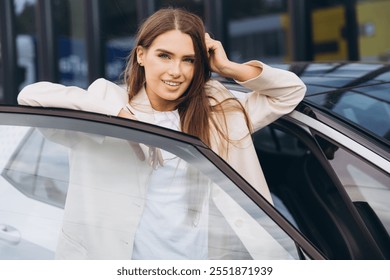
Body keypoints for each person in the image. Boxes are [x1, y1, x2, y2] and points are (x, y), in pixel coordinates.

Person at [18, 8, 306, 259]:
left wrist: (227, 67)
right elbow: (31, 97)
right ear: (141, 55)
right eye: (164, 56)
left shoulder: (219, 112)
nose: (176, 71)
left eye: (189, 60)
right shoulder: (106, 103)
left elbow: (289, 93)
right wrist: (121, 118)